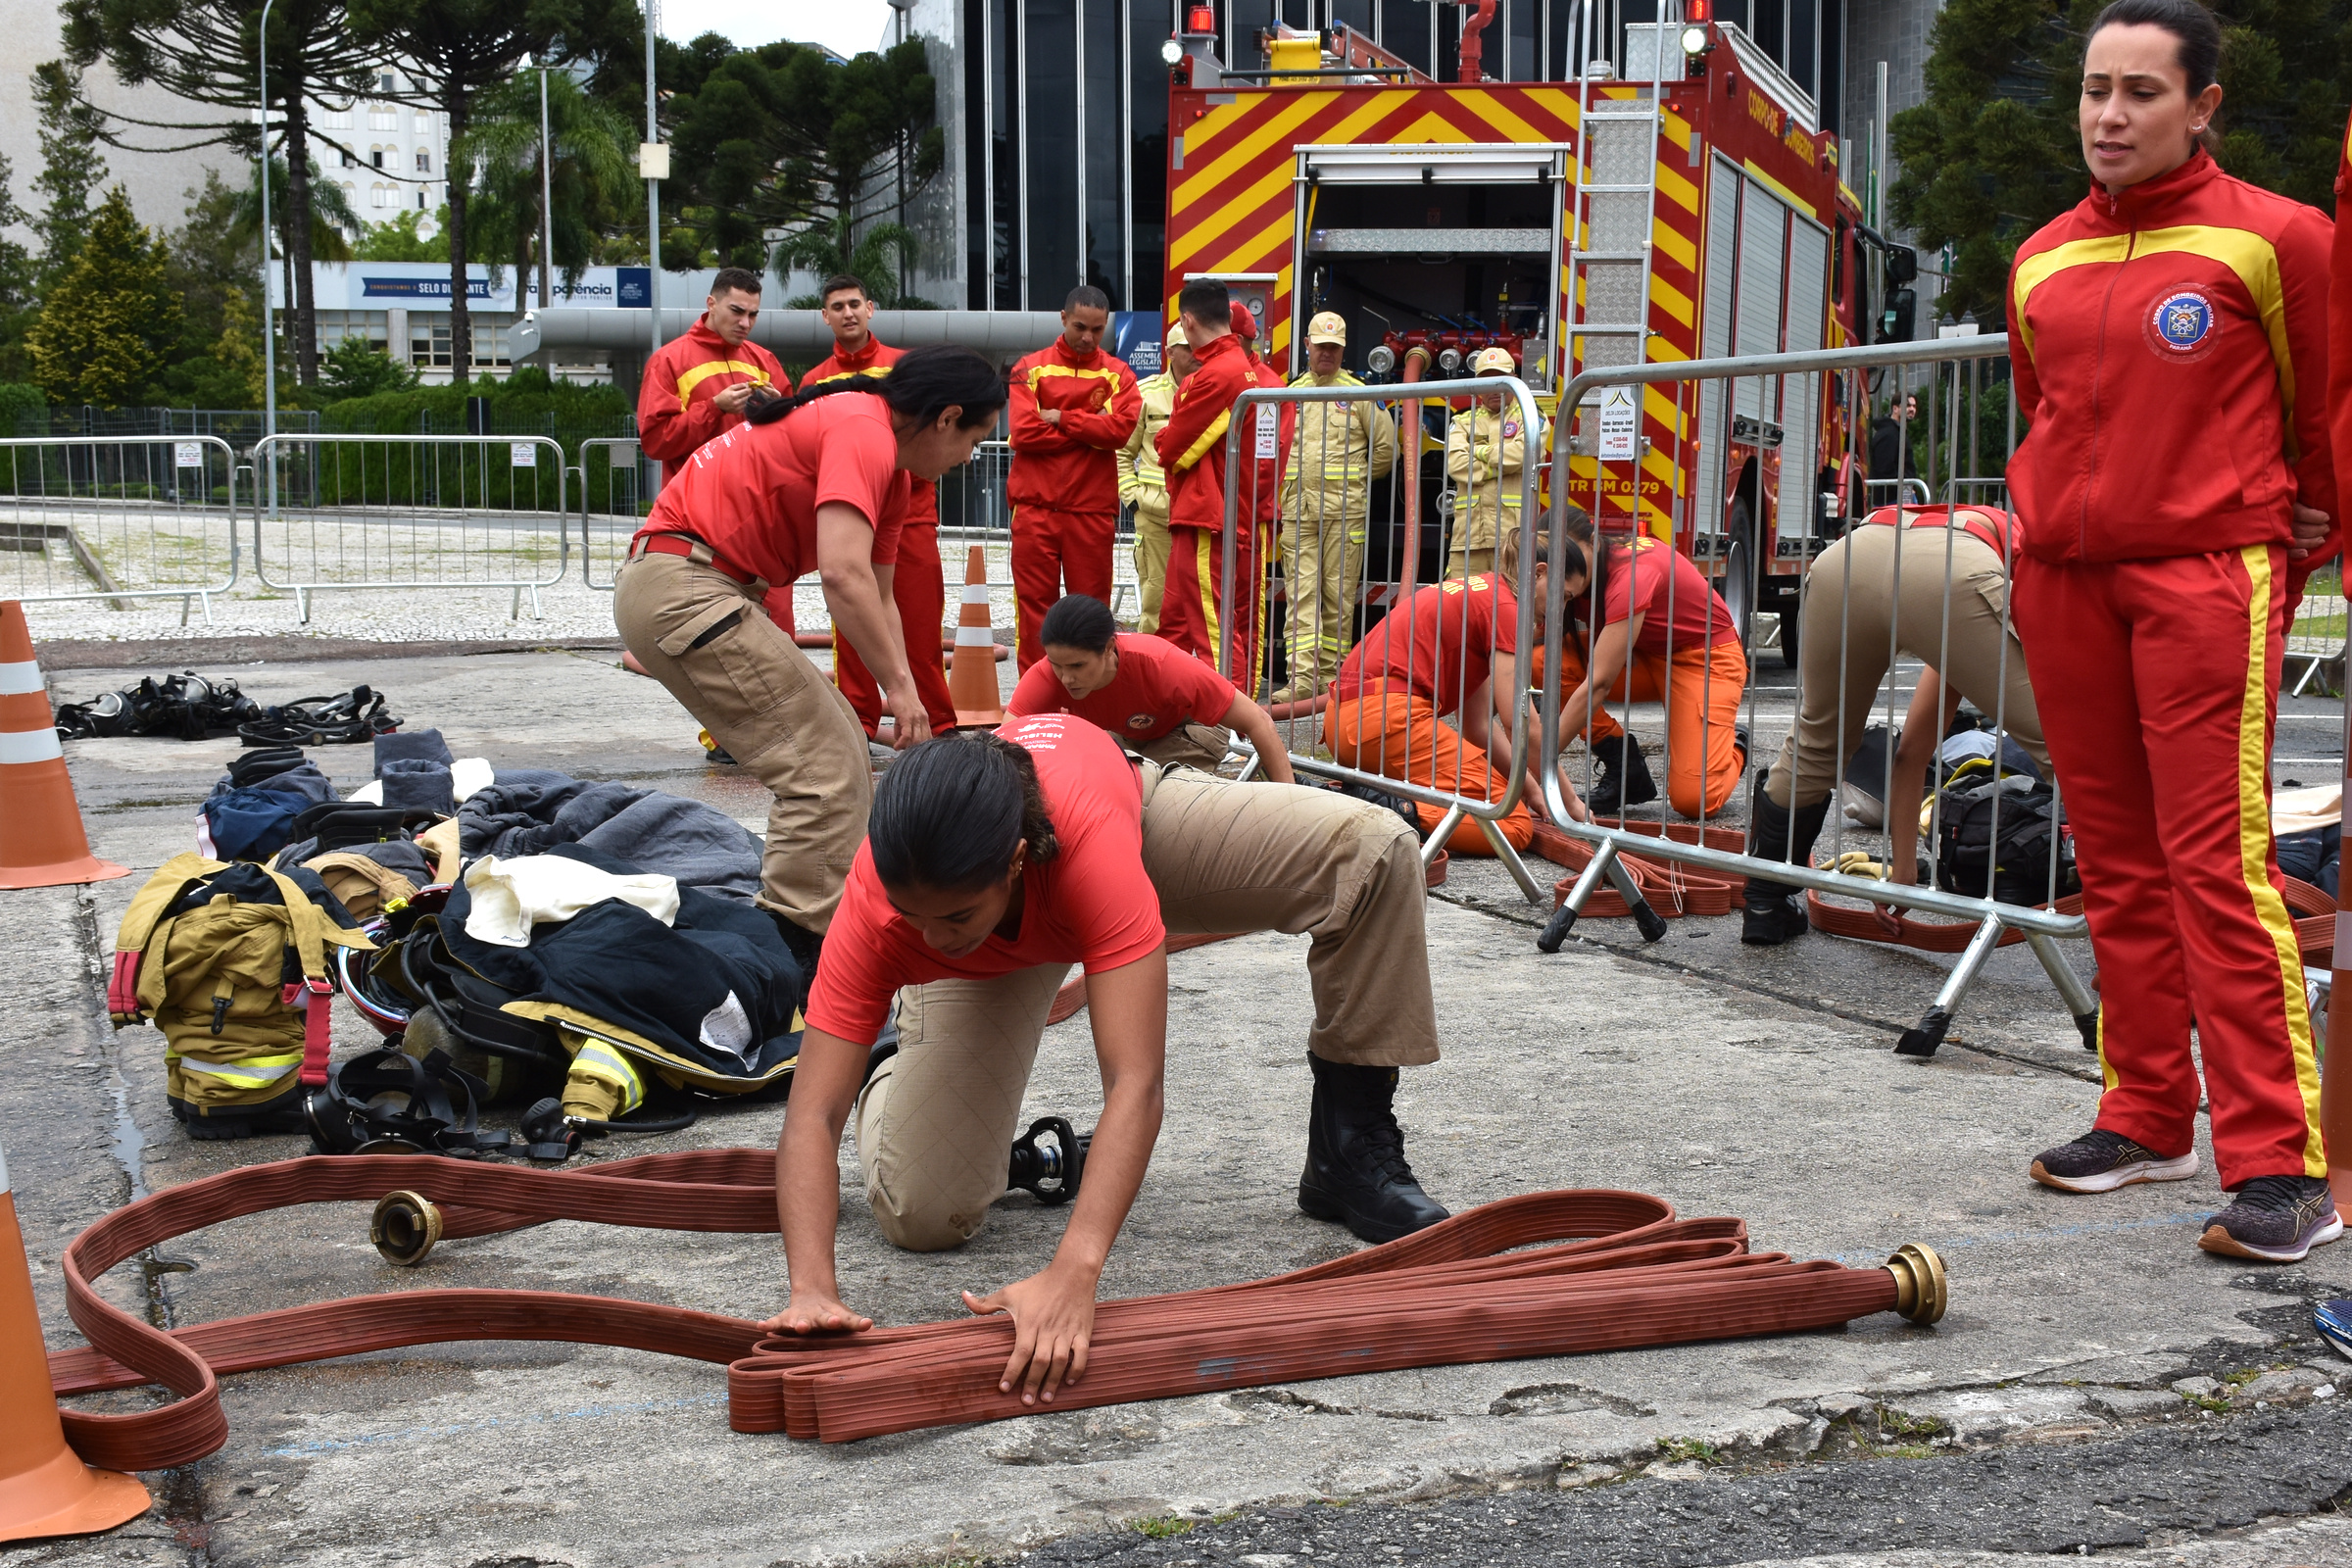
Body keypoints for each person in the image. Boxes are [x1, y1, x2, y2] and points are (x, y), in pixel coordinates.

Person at [763, 717, 1450, 1400]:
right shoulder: (887, 904)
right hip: (1003, 939)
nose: (931, 939)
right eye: (914, 918)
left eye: (954, 919)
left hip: (1118, 831)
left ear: (1016, 859)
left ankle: (1347, 1150)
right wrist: (812, 1292)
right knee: (922, 1214)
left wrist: (1073, 1273)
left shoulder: (1083, 849)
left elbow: (1135, 1083)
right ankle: (889, 1065)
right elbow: (813, 1113)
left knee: (1374, 848)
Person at [2007, 0, 2338, 1262]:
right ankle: (2146, 1111)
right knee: (2118, 863)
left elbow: (2318, 417)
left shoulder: (2280, 239)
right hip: (2067, 580)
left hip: (2208, 574)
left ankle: (2281, 1163)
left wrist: (2294, 533)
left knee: (2220, 865)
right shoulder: (2041, 254)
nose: (2108, 115)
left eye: (2142, 92)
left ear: (2203, 104)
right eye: (2096, 89)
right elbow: (2045, 417)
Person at [612, 346, 1006, 977]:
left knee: (841, 747)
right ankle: (794, 961)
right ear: (946, 417)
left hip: (697, 585)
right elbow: (842, 575)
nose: (969, 458)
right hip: (684, 586)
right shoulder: (863, 427)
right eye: (975, 439)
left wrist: (909, 695)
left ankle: (798, 937)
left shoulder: (894, 472)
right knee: (825, 771)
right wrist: (899, 690)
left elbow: (879, 598)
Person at [1740, 503, 2050, 946]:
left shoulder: (1986, 527)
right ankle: (2130, 924)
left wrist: (1902, 871)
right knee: (2066, 751)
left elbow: (1911, 754)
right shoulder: (2030, 554)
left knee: (1817, 743)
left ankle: (1764, 903)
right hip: (1949, 572)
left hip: (1848, 560)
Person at [799, 273, 959, 743]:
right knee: (853, 624)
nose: (848, 313)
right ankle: (857, 726)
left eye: (855, 303)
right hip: (850, 515)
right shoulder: (814, 381)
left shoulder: (905, 368)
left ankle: (940, 726)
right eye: (837, 306)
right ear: (824, 316)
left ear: (871, 309)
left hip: (910, 514)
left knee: (920, 626)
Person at [1539, 509, 1747, 820]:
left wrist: (1537, 761)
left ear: (1594, 542)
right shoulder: (1579, 572)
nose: (1566, 568)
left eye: (1571, 556)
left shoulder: (1634, 572)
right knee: (1540, 662)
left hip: (1704, 660)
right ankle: (1624, 766)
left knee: (1696, 800)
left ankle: (1736, 744)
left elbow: (1599, 682)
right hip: (1642, 656)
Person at [1325, 570, 1532, 856]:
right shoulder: (1507, 608)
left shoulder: (1481, 596)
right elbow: (1519, 723)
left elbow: (1478, 728)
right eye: (1565, 595)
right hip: (1385, 725)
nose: (1559, 611)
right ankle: (1371, 806)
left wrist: (1534, 793)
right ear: (1542, 573)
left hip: (1345, 724)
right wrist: (1566, 805)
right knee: (1513, 822)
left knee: (1480, 800)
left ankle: (1356, 801)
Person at [1008, 593, 1297, 780]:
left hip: (1189, 728)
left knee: (1150, 793)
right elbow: (1002, 746)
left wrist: (1292, 802)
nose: (1066, 678)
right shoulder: (1047, 674)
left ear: (1109, 648)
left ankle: (1277, 784)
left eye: (1077, 666)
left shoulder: (1160, 663)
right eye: (1056, 664)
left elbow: (1258, 721)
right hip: (1130, 737)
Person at [1008, 286, 1142, 670]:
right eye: (1081, 326)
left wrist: (1062, 418)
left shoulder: (1118, 373)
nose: (1088, 337)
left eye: (1098, 330)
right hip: (1035, 509)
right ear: (1063, 318)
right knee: (1034, 610)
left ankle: (1092, 702)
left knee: (1092, 611)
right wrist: (1090, 431)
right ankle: (1037, 702)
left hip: (1091, 512)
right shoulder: (1029, 367)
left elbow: (1120, 432)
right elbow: (1023, 433)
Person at [1274, 312, 1396, 704]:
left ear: (1343, 350)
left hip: (1345, 512)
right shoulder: (1289, 393)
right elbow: (1274, 450)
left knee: (1338, 596)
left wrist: (1353, 482)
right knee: (1300, 593)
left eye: (1334, 348)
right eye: (1320, 346)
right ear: (1306, 345)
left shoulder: (1360, 395)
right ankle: (1301, 680)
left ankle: (1332, 678)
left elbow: (1385, 451)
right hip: (1297, 508)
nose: (1327, 354)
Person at [1155, 278, 1263, 680]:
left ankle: (1231, 730)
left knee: (1212, 630)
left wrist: (1165, 434)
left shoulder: (1219, 373)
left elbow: (1171, 450)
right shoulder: (1234, 368)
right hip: (1206, 515)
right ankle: (1168, 716)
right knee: (1178, 627)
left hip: (1206, 517)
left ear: (1187, 321)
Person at [634, 267, 789, 485]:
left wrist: (777, 409)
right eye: (737, 311)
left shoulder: (764, 360)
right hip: (693, 506)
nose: (745, 323)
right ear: (711, 304)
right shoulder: (667, 361)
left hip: (753, 503)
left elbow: (790, 437)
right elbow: (655, 441)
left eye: (752, 315)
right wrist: (714, 408)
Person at [1121, 325, 1195, 635]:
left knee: (1200, 607)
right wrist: (1133, 498)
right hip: (1155, 516)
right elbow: (1121, 451)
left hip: (1201, 516)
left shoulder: (1212, 390)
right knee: (1157, 603)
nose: (1195, 354)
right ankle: (1153, 676)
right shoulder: (1144, 393)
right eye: (1187, 348)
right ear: (1170, 353)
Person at [1443, 347, 1540, 579]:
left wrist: (1479, 452)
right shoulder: (1462, 420)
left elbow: (1522, 455)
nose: (1494, 387)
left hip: (1513, 537)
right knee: (1462, 606)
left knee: (1511, 605)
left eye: (1500, 379)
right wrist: (1500, 465)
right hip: (1467, 538)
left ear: (1514, 380)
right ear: (1477, 385)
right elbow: (1456, 465)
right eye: (1487, 380)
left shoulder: (1531, 417)